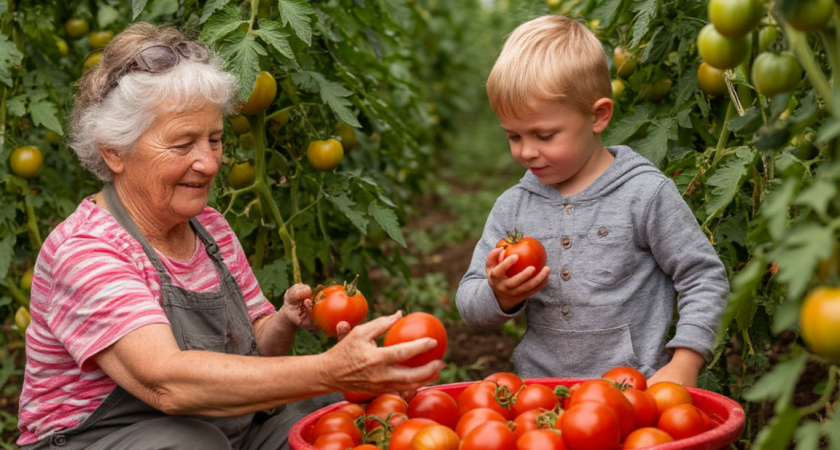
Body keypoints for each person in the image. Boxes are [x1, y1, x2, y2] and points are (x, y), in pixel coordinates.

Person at [17, 23, 443, 450]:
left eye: (215, 139)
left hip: (220, 427)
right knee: (191, 443)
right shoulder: (88, 249)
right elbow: (166, 383)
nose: (208, 162)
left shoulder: (211, 228)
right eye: (183, 144)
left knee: (332, 412)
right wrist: (330, 367)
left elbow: (252, 355)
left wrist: (283, 323)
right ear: (114, 150)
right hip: (98, 439)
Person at [456, 15, 729, 387]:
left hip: (633, 393)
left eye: (545, 135)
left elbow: (702, 275)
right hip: (540, 395)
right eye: (513, 137)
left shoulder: (644, 194)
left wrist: (686, 360)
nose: (527, 152)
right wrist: (498, 295)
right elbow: (470, 304)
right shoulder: (514, 207)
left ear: (598, 115)